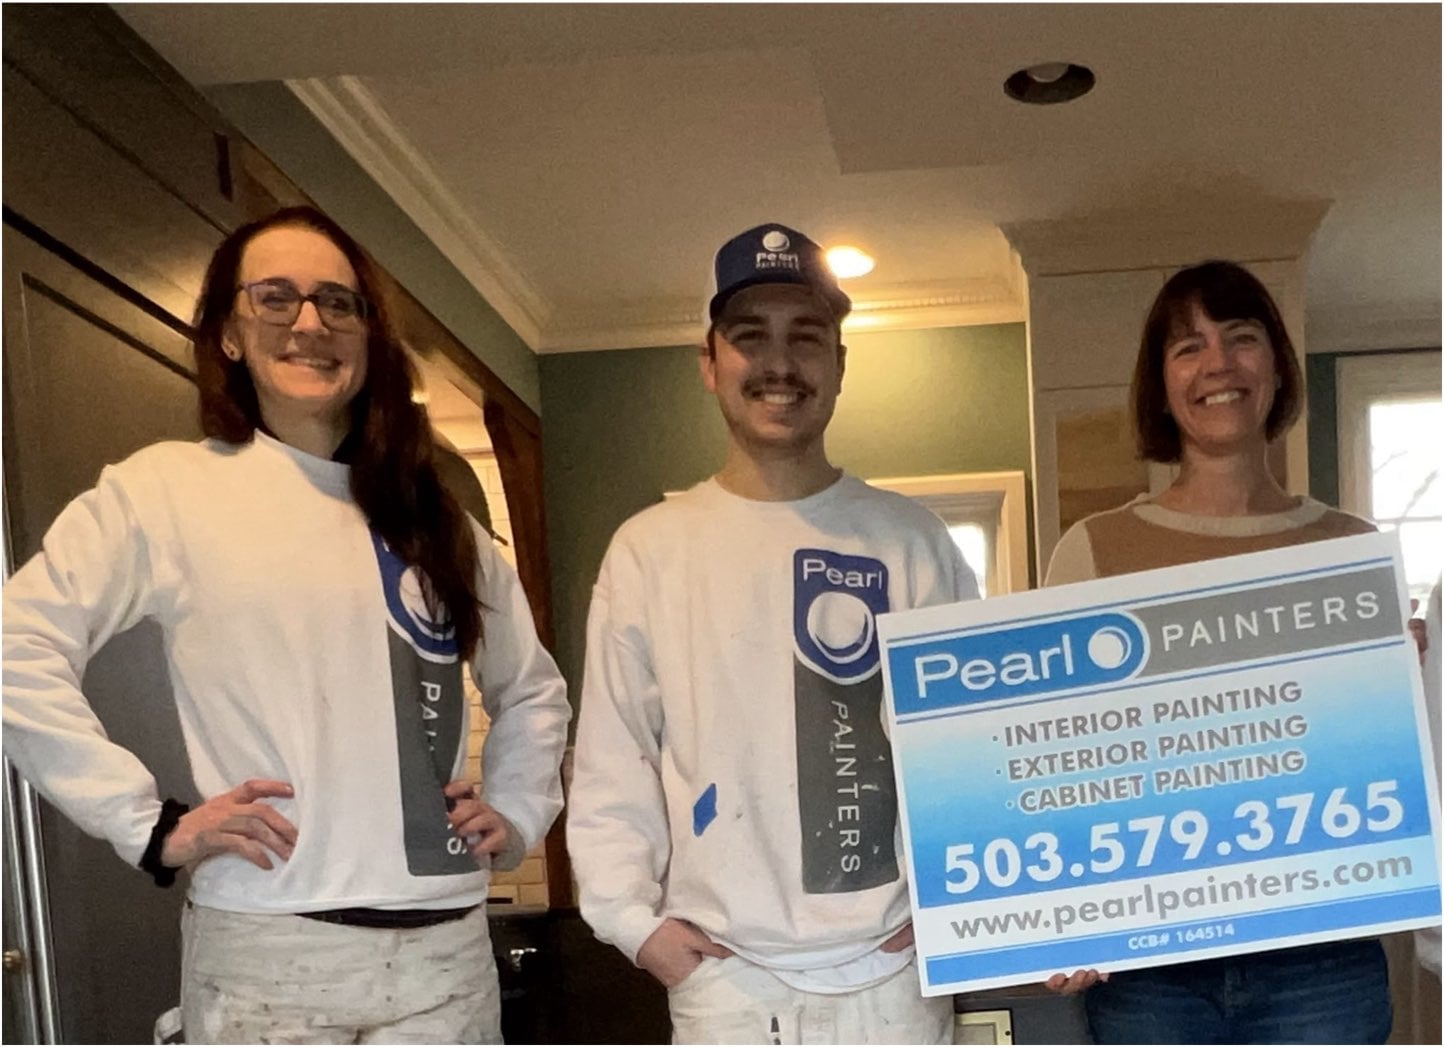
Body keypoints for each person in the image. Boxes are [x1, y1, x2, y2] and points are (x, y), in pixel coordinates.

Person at [1, 205, 570, 1044]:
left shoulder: (436, 521)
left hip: (446, 957)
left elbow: (532, 691)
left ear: (370, 336)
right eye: (276, 298)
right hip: (270, 953)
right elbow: (17, 646)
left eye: (339, 303)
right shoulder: (166, 492)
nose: (311, 322)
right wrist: (148, 823)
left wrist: (518, 808)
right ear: (229, 333)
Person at [566, 223, 979, 1044]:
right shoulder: (651, 549)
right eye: (751, 337)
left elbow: (967, 749)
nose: (780, 364)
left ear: (839, 363)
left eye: (807, 336)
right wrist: (633, 925)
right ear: (709, 363)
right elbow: (614, 759)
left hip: (893, 977)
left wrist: (956, 911)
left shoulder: (914, 541)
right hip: (726, 986)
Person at [1043, 260, 1392, 1043]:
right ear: (1161, 384)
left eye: (1241, 337)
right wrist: (1053, 913)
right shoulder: (1094, 549)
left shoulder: (1351, 548)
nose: (1218, 365)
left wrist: (1404, 686)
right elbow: (1064, 762)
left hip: (1320, 959)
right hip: (1151, 970)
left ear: (1275, 366)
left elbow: (1379, 760)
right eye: (1187, 347)